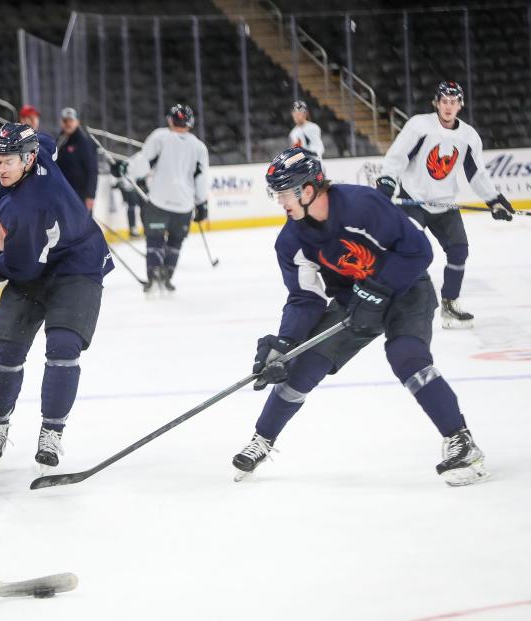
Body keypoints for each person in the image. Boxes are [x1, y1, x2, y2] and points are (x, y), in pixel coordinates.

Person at [232, 147, 488, 487]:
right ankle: (262, 439)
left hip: (406, 289)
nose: (280, 201)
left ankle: (462, 441)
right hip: (355, 303)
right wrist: (285, 342)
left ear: (308, 189)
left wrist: (378, 289)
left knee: (406, 356)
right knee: (304, 363)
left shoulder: (362, 205)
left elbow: (419, 251)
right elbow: (304, 297)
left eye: (283, 192)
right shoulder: (291, 241)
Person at [0, 123, 113, 472]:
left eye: (8, 162)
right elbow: (43, 136)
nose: (1, 169)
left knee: (64, 346)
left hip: (76, 266)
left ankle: (51, 432)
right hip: (39, 261)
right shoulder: (41, 150)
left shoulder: (24, 206)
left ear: (29, 159)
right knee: (6, 349)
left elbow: (21, 266)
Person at [376, 81, 513, 328]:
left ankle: (449, 304)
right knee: (410, 251)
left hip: (445, 205)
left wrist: (493, 199)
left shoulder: (468, 136)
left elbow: (476, 174)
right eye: (444, 102)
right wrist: (387, 181)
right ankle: (395, 300)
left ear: (461, 105)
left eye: (453, 102)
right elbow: (398, 155)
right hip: (413, 199)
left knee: (459, 250)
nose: (448, 107)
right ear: (436, 103)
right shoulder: (420, 125)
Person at [128, 103, 210, 292]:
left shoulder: (160, 137)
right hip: (184, 205)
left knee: (155, 239)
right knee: (175, 241)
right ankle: (168, 273)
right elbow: (201, 178)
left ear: (169, 120)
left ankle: (154, 271)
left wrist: (128, 173)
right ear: (191, 123)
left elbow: (142, 163)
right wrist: (202, 203)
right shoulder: (199, 147)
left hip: (159, 202)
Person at [55, 107, 98, 211]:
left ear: (77, 122)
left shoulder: (84, 142)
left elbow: (92, 170)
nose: (68, 124)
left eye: (71, 120)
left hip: (80, 196)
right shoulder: (60, 141)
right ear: (61, 122)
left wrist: (90, 195)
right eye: (65, 121)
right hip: (63, 195)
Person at [109, 159, 142, 237]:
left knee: (138, 208)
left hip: (133, 189)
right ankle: (132, 228)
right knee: (131, 208)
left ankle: (134, 228)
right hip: (129, 190)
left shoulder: (132, 166)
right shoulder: (124, 167)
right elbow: (118, 179)